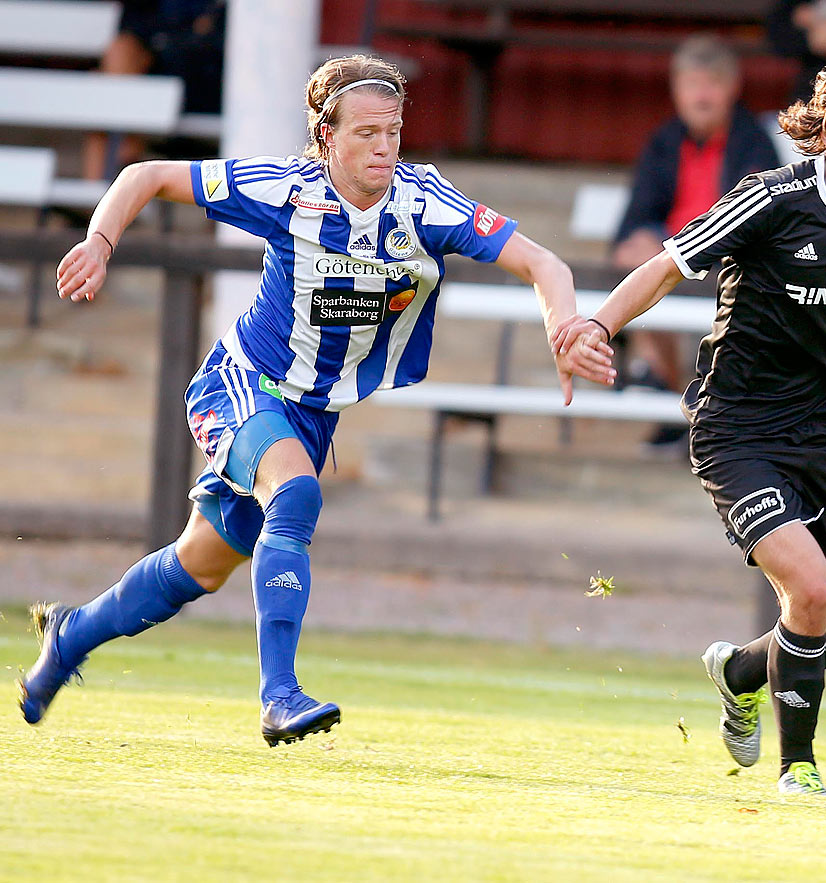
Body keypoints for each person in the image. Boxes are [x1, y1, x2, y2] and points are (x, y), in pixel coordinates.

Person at [19, 55, 597, 746]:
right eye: (366, 134)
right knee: (295, 494)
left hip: (313, 413)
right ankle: (280, 695)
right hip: (243, 383)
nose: (384, 147)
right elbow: (144, 175)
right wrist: (99, 240)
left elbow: (545, 264)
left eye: (395, 131)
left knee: (196, 566)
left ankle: (71, 632)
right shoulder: (283, 189)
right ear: (326, 137)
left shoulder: (424, 202)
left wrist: (564, 325)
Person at [552, 58, 826, 796]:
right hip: (739, 427)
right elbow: (667, 265)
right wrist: (598, 324)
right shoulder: (770, 200)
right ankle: (797, 767)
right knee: (808, 589)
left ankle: (740, 668)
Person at [612, 35, 781, 452]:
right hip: (672, 263)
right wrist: (644, 239)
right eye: (691, 84)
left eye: (712, 83)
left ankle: (670, 396)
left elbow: (760, 221)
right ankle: (673, 398)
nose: (701, 96)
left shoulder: (754, 143)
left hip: (731, 267)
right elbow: (631, 222)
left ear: (732, 88)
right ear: (676, 90)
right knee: (637, 257)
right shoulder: (663, 143)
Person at [84, 0, 227, 180]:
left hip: (208, 86)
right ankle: (103, 190)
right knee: (119, 54)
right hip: (148, 86)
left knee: (105, 89)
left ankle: (107, 191)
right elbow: (133, 30)